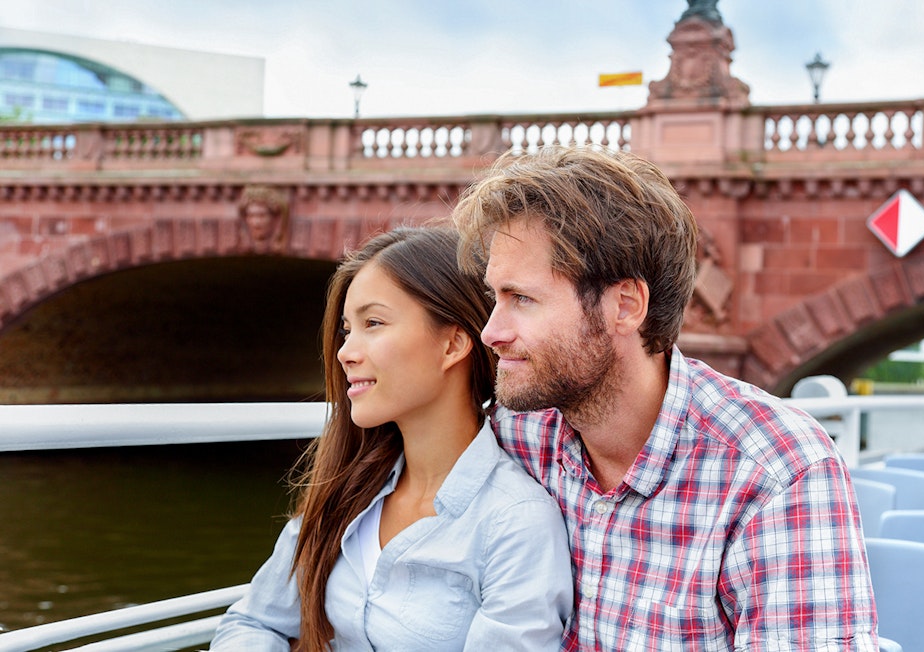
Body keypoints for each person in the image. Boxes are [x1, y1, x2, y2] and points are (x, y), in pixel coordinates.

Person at [453, 146, 878, 650]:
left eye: (521, 299)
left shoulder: (777, 473)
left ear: (625, 306)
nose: (490, 331)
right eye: (494, 298)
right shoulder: (517, 430)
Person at [210, 226, 572, 651]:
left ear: (453, 344)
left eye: (374, 323)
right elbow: (253, 623)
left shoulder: (515, 522)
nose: (346, 351)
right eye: (348, 330)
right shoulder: (344, 493)